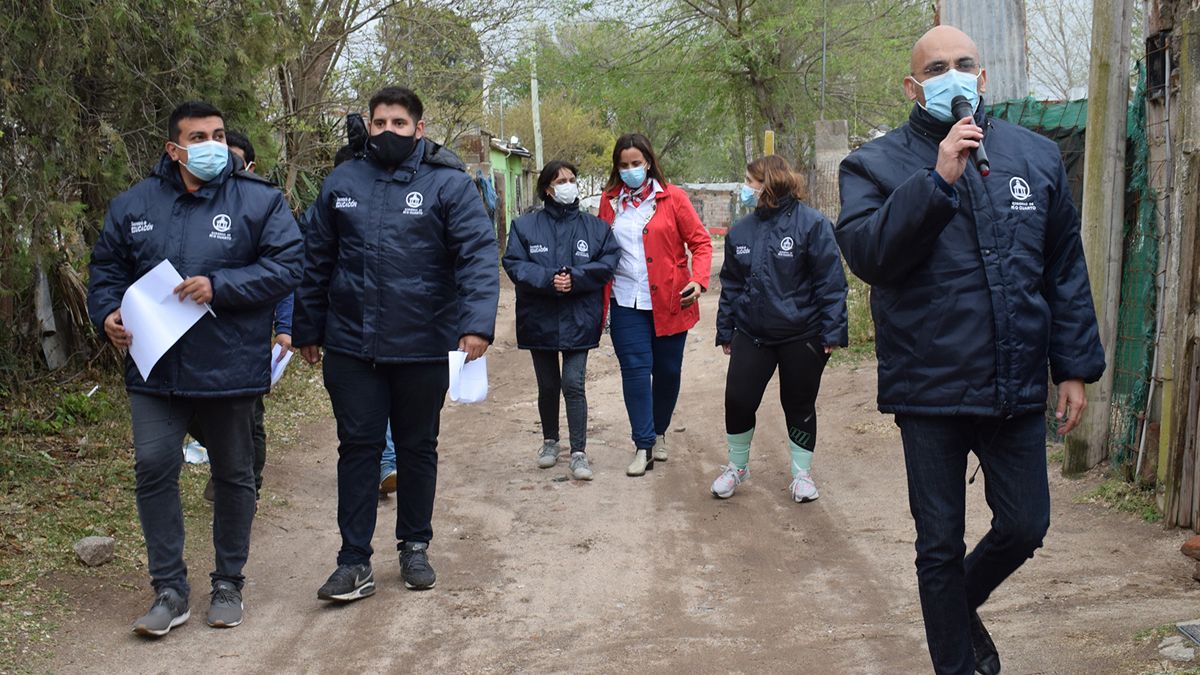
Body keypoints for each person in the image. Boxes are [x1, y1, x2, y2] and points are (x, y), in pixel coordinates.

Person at [835, 26, 1105, 675]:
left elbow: (1063, 267)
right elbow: (870, 255)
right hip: (928, 387)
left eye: (963, 65)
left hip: (1014, 380)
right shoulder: (871, 165)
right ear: (913, 85)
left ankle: (954, 611)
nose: (951, 76)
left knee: (1024, 525)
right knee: (938, 546)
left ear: (982, 80)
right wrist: (937, 180)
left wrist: (1072, 367)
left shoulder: (1036, 157)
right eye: (936, 68)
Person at [86, 101, 303, 635]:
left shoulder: (259, 200)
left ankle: (228, 581)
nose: (212, 145)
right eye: (199, 136)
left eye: (219, 134)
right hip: (155, 370)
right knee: (154, 468)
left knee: (234, 475)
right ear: (173, 148)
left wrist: (220, 286)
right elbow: (107, 268)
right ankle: (170, 589)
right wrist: (107, 314)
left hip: (228, 367)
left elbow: (288, 265)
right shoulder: (135, 203)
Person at [293, 86, 498, 601]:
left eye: (398, 124)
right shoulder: (342, 180)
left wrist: (476, 324)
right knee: (358, 448)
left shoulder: (449, 186)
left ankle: (414, 546)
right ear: (370, 124)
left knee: (416, 447)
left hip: (423, 343)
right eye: (379, 123)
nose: (387, 132)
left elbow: (476, 255)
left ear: (419, 129)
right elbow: (317, 258)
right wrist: (308, 328)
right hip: (350, 346)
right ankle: (353, 561)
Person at [711, 155, 848, 502]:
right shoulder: (741, 230)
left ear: (767, 183)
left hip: (802, 334)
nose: (745, 188)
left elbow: (830, 282)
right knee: (738, 400)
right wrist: (725, 328)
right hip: (752, 333)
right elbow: (731, 284)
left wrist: (832, 331)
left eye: (749, 181)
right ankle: (737, 467)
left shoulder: (812, 224)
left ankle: (802, 475)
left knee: (799, 403)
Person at [598, 133, 713, 476]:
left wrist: (699, 279)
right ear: (617, 168)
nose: (631, 170)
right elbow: (601, 248)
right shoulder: (609, 201)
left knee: (667, 372)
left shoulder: (673, 198)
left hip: (671, 299)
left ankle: (659, 430)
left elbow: (701, 242)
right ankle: (643, 444)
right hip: (625, 300)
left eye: (636, 163)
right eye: (624, 165)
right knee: (634, 371)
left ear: (648, 162)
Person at [192, 129, 295, 502]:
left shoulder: (262, 208)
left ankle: (246, 484)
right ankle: (228, 466)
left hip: (246, 337)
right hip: (198, 338)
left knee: (250, 416)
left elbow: (284, 275)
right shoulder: (192, 206)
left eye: (231, 158)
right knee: (195, 413)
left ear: (249, 166)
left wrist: (284, 329)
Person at [503, 160, 621, 480]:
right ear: (547, 189)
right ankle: (550, 442)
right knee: (548, 385)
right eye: (561, 180)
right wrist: (548, 279)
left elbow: (609, 261)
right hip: (538, 317)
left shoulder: (595, 228)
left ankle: (579, 451)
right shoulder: (524, 227)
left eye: (572, 179)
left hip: (579, 317)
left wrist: (577, 278)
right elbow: (514, 263)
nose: (568, 185)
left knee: (573, 382)